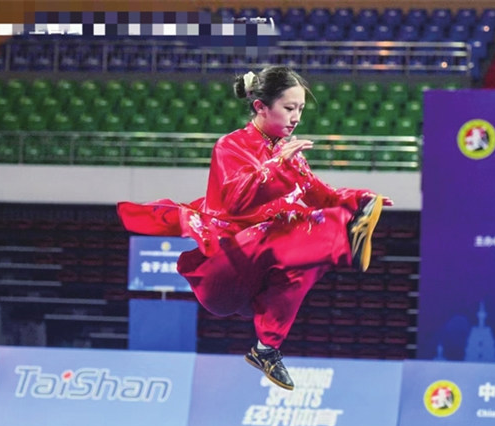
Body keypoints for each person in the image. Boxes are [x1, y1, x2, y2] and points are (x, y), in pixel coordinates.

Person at [118, 66, 393, 391]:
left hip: (258, 283)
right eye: (289, 108)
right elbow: (236, 201)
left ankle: (266, 349)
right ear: (261, 106)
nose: (296, 118)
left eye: (301, 109)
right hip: (224, 271)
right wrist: (277, 165)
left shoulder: (291, 156)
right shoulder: (230, 146)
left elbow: (323, 195)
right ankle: (346, 240)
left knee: (307, 259)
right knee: (291, 225)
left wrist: (361, 199)